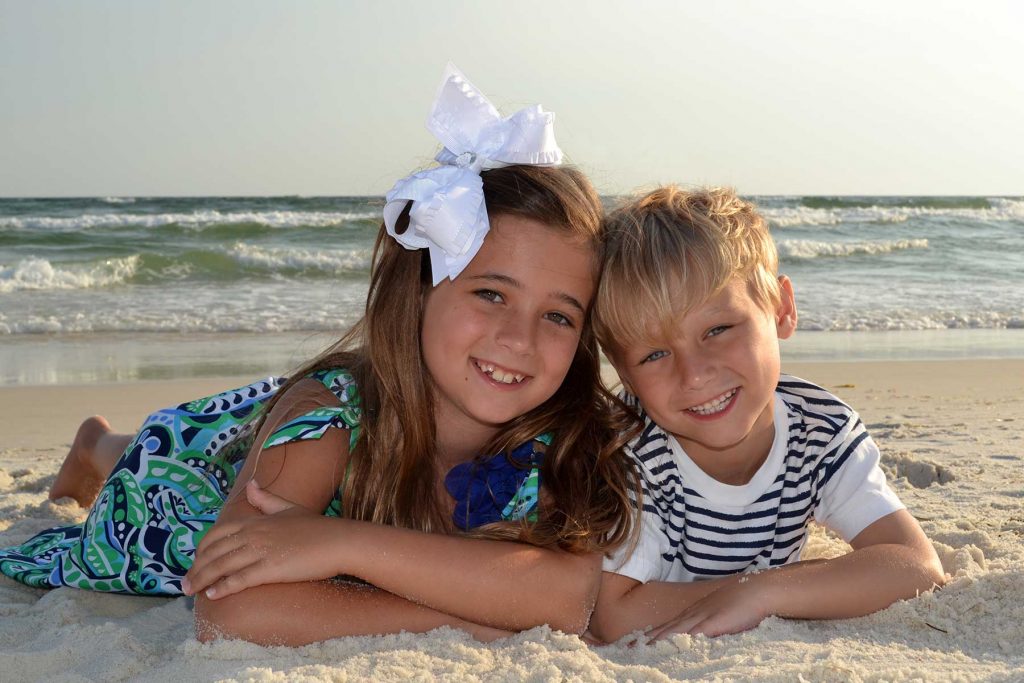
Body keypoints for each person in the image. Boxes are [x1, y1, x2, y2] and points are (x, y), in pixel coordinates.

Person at [0, 66, 638, 645]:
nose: (520, 338)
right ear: (416, 293)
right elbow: (229, 611)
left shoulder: (566, 433)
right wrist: (471, 618)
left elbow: (566, 593)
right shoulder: (327, 414)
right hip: (196, 472)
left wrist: (345, 544)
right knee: (162, 471)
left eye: (558, 314)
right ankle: (98, 444)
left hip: (282, 471)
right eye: (491, 293)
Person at [586, 186, 945, 643]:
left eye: (718, 329)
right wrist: (761, 591)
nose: (694, 375)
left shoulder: (820, 430)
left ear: (781, 310)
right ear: (624, 375)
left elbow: (915, 565)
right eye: (655, 354)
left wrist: (763, 591)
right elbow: (614, 614)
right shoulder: (631, 451)